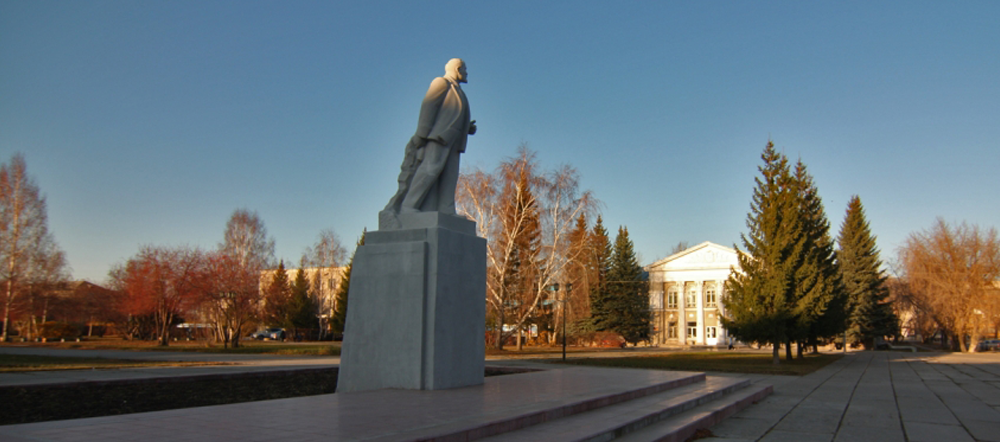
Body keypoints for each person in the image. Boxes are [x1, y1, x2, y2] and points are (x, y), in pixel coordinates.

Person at [381, 58, 476, 229]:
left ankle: (446, 208)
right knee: (430, 169)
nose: (467, 73)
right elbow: (428, 108)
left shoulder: (459, 91)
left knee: (450, 175)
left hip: (455, 141)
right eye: (465, 69)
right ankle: (409, 206)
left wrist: (467, 127)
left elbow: (452, 114)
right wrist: (421, 134)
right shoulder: (441, 83)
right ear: (457, 68)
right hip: (438, 137)